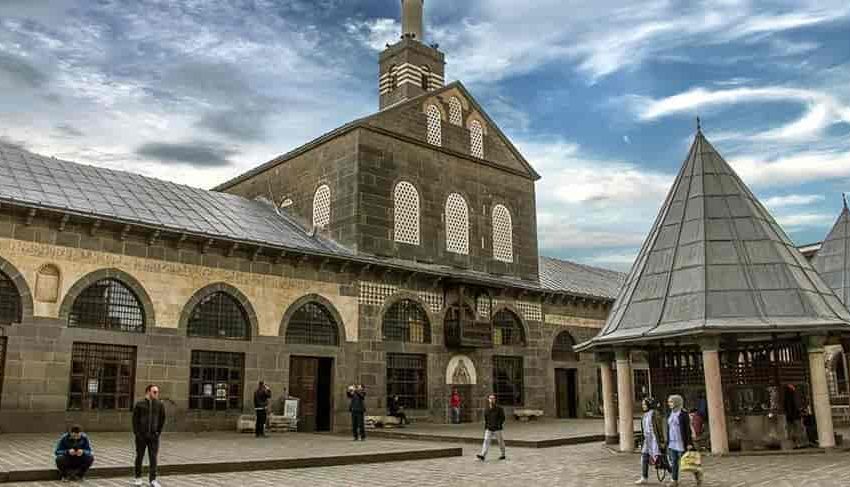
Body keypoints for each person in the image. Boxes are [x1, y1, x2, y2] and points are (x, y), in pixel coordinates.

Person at [132, 384, 166, 487]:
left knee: (153, 458)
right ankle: (138, 477)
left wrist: (157, 432)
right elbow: (135, 420)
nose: (156, 394)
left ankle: (153, 480)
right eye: (154, 392)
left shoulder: (159, 404)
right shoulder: (139, 404)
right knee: (140, 456)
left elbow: (162, 419)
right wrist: (138, 434)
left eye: (157, 392)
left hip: (153, 436)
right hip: (141, 436)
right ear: (148, 392)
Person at [667, 394, 701, 487]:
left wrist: (689, 443)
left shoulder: (683, 414)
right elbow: (669, 428)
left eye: (671, 402)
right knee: (674, 462)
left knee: (687, 461)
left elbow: (687, 429)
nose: (669, 403)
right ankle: (674, 480)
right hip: (672, 442)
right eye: (669, 401)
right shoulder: (670, 413)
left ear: (677, 402)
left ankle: (697, 474)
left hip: (681, 442)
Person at [635, 398, 665, 485]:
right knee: (644, 457)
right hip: (647, 440)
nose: (643, 406)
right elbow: (643, 429)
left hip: (655, 439)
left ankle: (672, 474)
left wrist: (662, 440)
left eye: (644, 404)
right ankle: (644, 477)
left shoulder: (655, 414)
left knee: (660, 459)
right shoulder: (644, 415)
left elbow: (659, 428)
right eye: (643, 404)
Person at [476, 393, 506, 461]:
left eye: (493, 398)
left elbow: (502, 418)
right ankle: (483, 455)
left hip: (497, 428)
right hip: (489, 428)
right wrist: (486, 426)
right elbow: (486, 418)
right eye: (490, 398)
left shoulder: (499, 408)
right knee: (486, 441)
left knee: (500, 441)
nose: (492, 400)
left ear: (495, 400)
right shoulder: (486, 409)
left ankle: (503, 454)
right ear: (488, 399)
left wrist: (498, 424)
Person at [783, 383, 803, 448]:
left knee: (790, 430)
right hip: (795, 415)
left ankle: (792, 444)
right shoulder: (794, 394)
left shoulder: (786, 395)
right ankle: (798, 444)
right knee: (797, 430)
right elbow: (797, 404)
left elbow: (785, 406)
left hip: (789, 416)